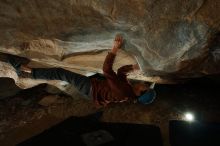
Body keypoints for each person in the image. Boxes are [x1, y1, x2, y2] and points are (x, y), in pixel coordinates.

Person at [9, 35, 156, 107]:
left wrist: (115, 49)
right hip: (93, 89)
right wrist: (133, 68)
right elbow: (121, 74)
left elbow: (107, 70)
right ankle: (27, 71)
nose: (144, 84)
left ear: (140, 93)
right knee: (62, 73)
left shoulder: (124, 91)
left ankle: (25, 71)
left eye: (145, 87)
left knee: (61, 72)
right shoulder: (129, 91)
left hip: (90, 88)